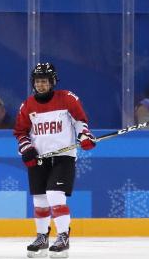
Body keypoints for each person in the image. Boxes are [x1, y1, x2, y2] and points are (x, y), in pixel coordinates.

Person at [14, 62, 94, 258]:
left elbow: (79, 121)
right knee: (40, 200)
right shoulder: (27, 105)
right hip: (40, 159)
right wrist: (28, 149)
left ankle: (63, 236)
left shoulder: (67, 98)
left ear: (52, 82)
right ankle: (42, 236)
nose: (41, 85)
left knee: (55, 195)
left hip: (63, 157)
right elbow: (21, 132)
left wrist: (84, 136)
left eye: (44, 81)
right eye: (38, 81)